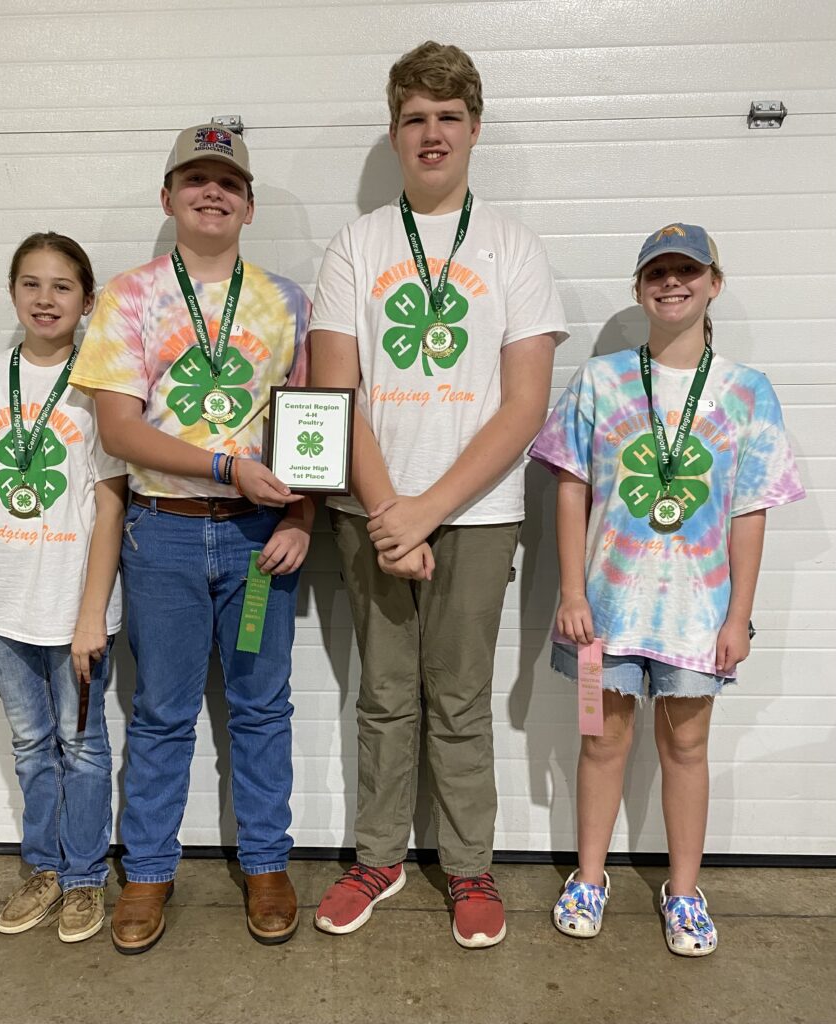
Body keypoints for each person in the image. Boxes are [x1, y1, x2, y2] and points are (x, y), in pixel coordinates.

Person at [309, 41, 568, 948]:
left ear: (475, 129)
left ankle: (469, 869)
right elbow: (336, 396)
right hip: (371, 511)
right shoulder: (357, 243)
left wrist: (427, 510)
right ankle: (378, 857)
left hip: (479, 515)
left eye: (448, 117)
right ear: (394, 132)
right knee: (383, 695)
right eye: (415, 117)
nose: (432, 133)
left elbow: (525, 403)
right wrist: (391, 512)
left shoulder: (513, 247)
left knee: (457, 699)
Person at [69, 122, 312, 954]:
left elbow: (310, 428)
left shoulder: (287, 300)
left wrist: (300, 513)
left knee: (260, 708)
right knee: (164, 712)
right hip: (163, 538)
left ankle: (268, 861)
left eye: (229, 183)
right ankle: (146, 871)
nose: (213, 193)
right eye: (195, 180)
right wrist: (225, 466)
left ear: (248, 206)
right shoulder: (127, 299)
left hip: (256, 543)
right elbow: (119, 430)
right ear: (167, 196)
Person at [529, 223, 805, 956]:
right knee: (598, 740)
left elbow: (750, 510)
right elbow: (570, 490)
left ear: (715, 282)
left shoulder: (747, 392)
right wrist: (571, 593)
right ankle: (589, 878)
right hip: (603, 618)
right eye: (658, 272)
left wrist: (739, 616)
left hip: (696, 616)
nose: (672, 282)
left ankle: (684, 891)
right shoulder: (600, 379)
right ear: (639, 288)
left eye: (689, 270)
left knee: (687, 747)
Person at [0, 232, 126, 943]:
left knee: (82, 746)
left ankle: (83, 879)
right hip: (2, 603)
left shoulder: (99, 386)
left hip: (72, 604)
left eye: (62, 286)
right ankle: (42, 867)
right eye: (32, 284)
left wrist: (91, 613)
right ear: (13, 292)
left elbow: (110, 501)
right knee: (30, 742)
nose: (46, 299)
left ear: (87, 299)